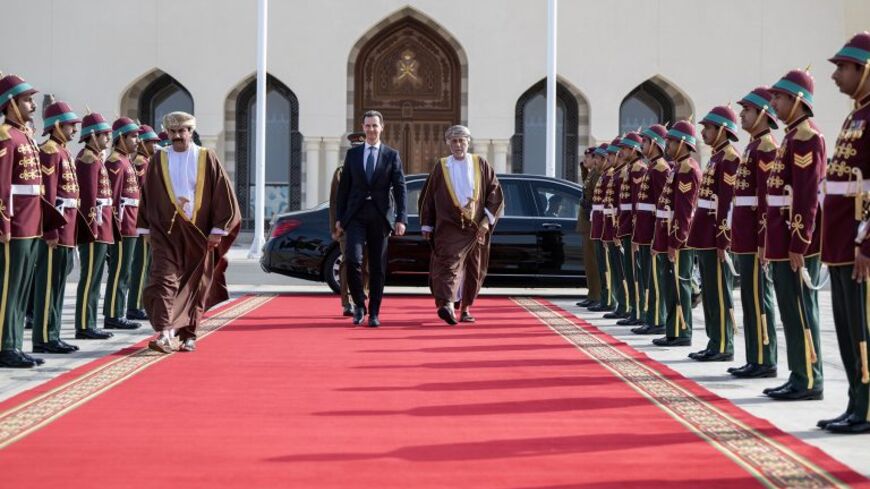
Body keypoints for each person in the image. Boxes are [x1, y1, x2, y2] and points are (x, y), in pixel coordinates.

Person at [138, 111, 240, 353]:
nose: (176, 136)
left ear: (191, 132)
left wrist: (217, 230)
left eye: (181, 131)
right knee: (163, 280)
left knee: (195, 284)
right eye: (171, 132)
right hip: (165, 233)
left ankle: (189, 334)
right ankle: (164, 333)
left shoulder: (207, 158)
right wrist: (144, 228)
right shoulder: (158, 159)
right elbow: (147, 196)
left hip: (199, 233)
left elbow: (223, 195)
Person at [762, 69, 826, 401]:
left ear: (797, 100)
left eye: (779, 97)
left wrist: (798, 241)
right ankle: (798, 373)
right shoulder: (791, 136)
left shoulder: (805, 136)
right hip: (782, 234)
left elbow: (805, 193)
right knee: (790, 308)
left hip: (795, 238)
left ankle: (809, 379)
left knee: (801, 309)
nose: (773, 103)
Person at [820, 32, 870, 433]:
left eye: (842, 68)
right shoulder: (855, 116)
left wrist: (866, 242)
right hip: (839, 242)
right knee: (846, 327)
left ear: (864, 70)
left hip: (859, 241)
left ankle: (866, 406)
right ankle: (855, 401)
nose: (835, 75)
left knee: (863, 328)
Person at [419, 125, 504, 324]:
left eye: (462, 141)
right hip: (449, 225)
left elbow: (495, 194)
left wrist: (486, 221)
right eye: (454, 141)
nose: (458, 145)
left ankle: (465, 308)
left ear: (468, 142)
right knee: (449, 263)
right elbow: (428, 198)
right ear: (448, 143)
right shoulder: (441, 166)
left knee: (473, 268)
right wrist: (427, 225)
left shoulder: (480, 164)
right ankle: (447, 304)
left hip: (476, 227)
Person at [334, 110, 407, 327]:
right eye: (367, 126)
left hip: (380, 216)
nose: (371, 130)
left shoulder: (391, 155)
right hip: (355, 216)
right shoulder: (353, 155)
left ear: (382, 127)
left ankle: (374, 312)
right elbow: (343, 189)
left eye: (375, 126)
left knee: (377, 267)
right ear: (363, 127)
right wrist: (340, 217)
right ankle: (359, 305)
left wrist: (401, 218)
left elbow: (401, 188)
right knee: (353, 260)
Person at [729, 87, 780, 379]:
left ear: (762, 113)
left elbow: (765, 199)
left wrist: (764, 239)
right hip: (745, 236)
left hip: (755, 237)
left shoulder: (767, 148)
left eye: (747, 110)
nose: (742, 115)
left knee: (760, 296)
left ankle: (766, 358)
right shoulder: (752, 147)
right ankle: (755, 357)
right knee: (749, 297)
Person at [0, 74, 47, 367]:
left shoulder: (24, 135)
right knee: (8, 287)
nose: (32, 104)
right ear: (11, 104)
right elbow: (2, 184)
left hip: (31, 223)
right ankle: (5, 346)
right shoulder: (6, 135)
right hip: (14, 224)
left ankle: (15, 343)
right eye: (27, 100)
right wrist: (3, 221)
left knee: (22, 287)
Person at [687, 106, 740, 362]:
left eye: (708, 128)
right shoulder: (717, 157)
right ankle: (714, 341)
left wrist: (724, 239)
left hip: (715, 234)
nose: (703, 132)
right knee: (710, 292)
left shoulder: (730, 158)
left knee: (720, 292)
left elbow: (727, 204)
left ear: (721, 130)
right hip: (705, 232)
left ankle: (724, 344)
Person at [31, 97, 82, 354]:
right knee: (48, 285)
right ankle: (43, 338)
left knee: (59, 284)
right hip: (57, 228)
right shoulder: (49, 151)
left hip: (68, 226)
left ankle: (53, 333)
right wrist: (50, 229)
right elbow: (48, 195)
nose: (75, 130)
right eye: (71, 125)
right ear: (58, 125)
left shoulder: (62, 151)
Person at [653, 120, 701, 347]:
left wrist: (677, 240)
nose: (667, 146)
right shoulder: (677, 168)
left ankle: (683, 332)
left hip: (679, 241)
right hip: (669, 236)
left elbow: (685, 210)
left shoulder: (688, 169)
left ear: (682, 143)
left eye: (671, 142)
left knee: (679, 285)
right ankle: (673, 330)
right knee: (670, 285)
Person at [75, 111, 117, 341]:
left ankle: (89, 321)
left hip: (102, 225)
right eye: (104, 135)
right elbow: (89, 197)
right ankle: (84, 324)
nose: (107, 139)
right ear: (92, 135)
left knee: (95, 277)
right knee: (89, 277)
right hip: (95, 226)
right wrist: (91, 228)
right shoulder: (88, 160)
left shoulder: (95, 158)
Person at [102, 117, 142, 330]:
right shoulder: (115, 162)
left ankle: (118, 311)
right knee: (119, 271)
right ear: (121, 138)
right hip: (122, 226)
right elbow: (114, 199)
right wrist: (114, 227)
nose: (137, 140)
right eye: (133, 136)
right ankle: (113, 314)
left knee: (125, 271)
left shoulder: (125, 160)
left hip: (131, 224)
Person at [632, 124, 671, 335]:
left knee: (655, 279)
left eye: (645, 142)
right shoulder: (653, 167)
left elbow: (662, 205)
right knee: (649, 277)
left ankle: (658, 319)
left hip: (654, 231)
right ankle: (651, 316)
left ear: (655, 144)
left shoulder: (661, 169)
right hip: (646, 231)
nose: (642, 145)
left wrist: (658, 235)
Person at [329, 131, 368, 317]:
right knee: (348, 262)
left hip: (369, 223)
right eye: (354, 148)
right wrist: (335, 228)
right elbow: (335, 203)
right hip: (347, 224)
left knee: (366, 262)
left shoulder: (372, 167)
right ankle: (348, 301)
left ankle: (362, 295)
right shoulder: (341, 172)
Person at [127, 124, 159, 321]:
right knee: (140, 267)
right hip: (140, 223)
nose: (154, 147)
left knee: (147, 266)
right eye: (151, 143)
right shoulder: (140, 163)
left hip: (147, 222)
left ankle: (140, 303)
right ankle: (135, 305)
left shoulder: (146, 162)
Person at [615, 132, 646, 326]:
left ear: (634, 149)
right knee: (629, 270)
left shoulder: (639, 169)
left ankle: (640, 310)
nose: (622, 152)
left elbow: (637, 203)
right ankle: (634, 309)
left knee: (636, 273)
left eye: (625, 148)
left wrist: (636, 230)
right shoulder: (630, 168)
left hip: (633, 226)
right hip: (625, 224)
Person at [602, 138, 630, 320]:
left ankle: (626, 304)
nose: (610, 157)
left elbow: (623, 206)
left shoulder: (622, 175)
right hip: (611, 224)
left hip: (619, 225)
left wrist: (617, 231)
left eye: (613, 154)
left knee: (622, 270)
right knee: (617, 267)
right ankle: (622, 303)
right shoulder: (617, 175)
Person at [588, 143, 614, 312]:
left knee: (608, 267)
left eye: (598, 158)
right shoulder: (603, 175)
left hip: (606, 223)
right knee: (601, 265)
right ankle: (605, 299)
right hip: (598, 222)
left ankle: (610, 300)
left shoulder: (610, 175)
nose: (595, 160)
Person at [577, 148, 601, 308]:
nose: (585, 159)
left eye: (588, 157)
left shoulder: (597, 174)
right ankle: (592, 294)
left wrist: (589, 205)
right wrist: (584, 166)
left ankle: (597, 295)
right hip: (587, 222)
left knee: (594, 262)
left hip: (592, 221)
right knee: (589, 262)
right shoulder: (591, 173)